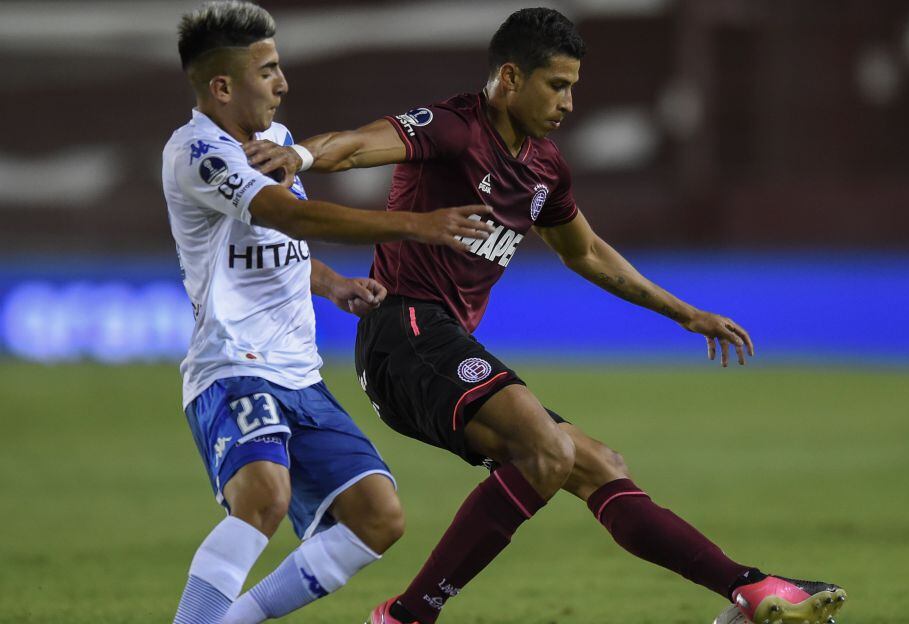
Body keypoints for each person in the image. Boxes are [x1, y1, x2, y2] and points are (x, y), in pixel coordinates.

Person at [245, 8, 847, 624]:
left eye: (573, 87)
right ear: (510, 77)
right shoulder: (454, 128)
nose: (567, 101)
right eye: (557, 85)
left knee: (598, 465)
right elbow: (354, 146)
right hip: (404, 334)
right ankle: (406, 616)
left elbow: (585, 251)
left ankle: (747, 590)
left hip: (441, 344)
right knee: (545, 452)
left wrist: (685, 314)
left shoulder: (544, 167)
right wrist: (302, 157)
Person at [161, 2, 494, 623]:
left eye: (280, 67)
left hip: (299, 373)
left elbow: (279, 245)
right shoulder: (197, 153)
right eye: (268, 71)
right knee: (263, 496)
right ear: (222, 86)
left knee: (378, 517)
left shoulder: (278, 143)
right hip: (233, 363)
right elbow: (292, 216)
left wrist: (332, 283)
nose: (283, 83)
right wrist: (417, 226)